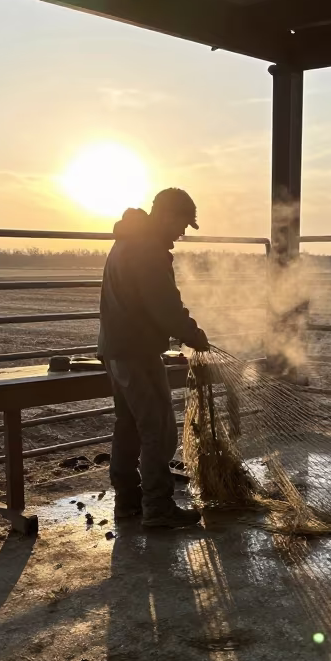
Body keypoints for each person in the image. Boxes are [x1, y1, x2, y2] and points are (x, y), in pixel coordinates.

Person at [97, 188, 210, 528]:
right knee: (156, 429)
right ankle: (158, 507)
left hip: (116, 349)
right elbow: (164, 305)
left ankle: (128, 501)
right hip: (136, 350)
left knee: (128, 426)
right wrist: (193, 334)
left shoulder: (128, 240)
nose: (183, 232)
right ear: (165, 215)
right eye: (182, 223)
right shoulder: (147, 249)